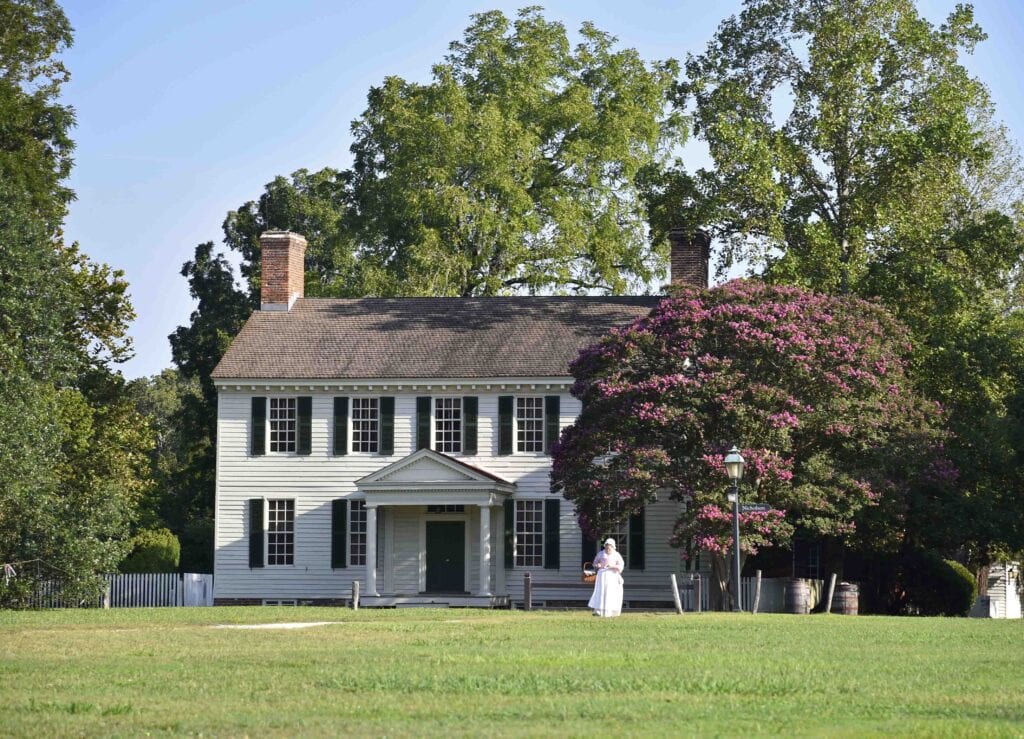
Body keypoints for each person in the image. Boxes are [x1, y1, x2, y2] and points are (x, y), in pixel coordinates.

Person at [588, 537, 625, 617]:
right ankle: (599, 611)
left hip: (612, 576)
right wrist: (598, 565)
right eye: (607, 546)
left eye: (610, 546)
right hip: (602, 576)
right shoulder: (601, 554)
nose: (608, 548)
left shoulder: (616, 555)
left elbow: (621, 566)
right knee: (601, 592)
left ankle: (611, 612)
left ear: (613, 546)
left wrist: (612, 566)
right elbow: (595, 563)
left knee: (610, 593)